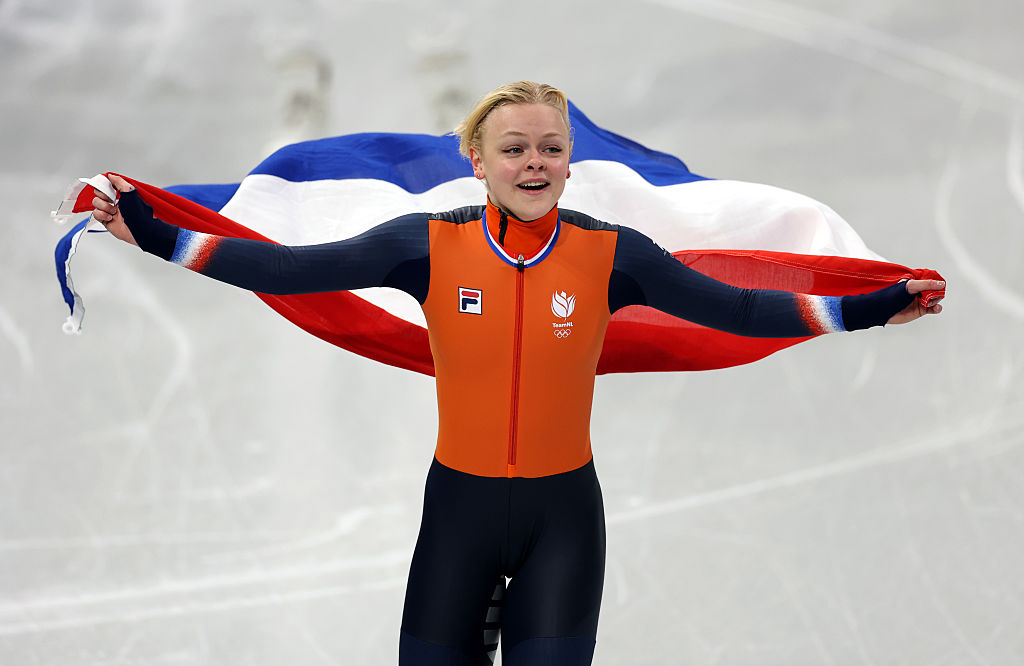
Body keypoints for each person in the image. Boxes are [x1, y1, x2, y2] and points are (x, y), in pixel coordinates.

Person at [89, 81, 944, 666]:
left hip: (561, 522)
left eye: (550, 148)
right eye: (514, 149)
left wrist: (870, 307)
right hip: (457, 515)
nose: (533, 164)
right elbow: (287, 268)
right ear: (478, 159)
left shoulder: (614, 255)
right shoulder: (424, 245)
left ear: (570, 160)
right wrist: (154, 234)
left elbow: (738, 309)